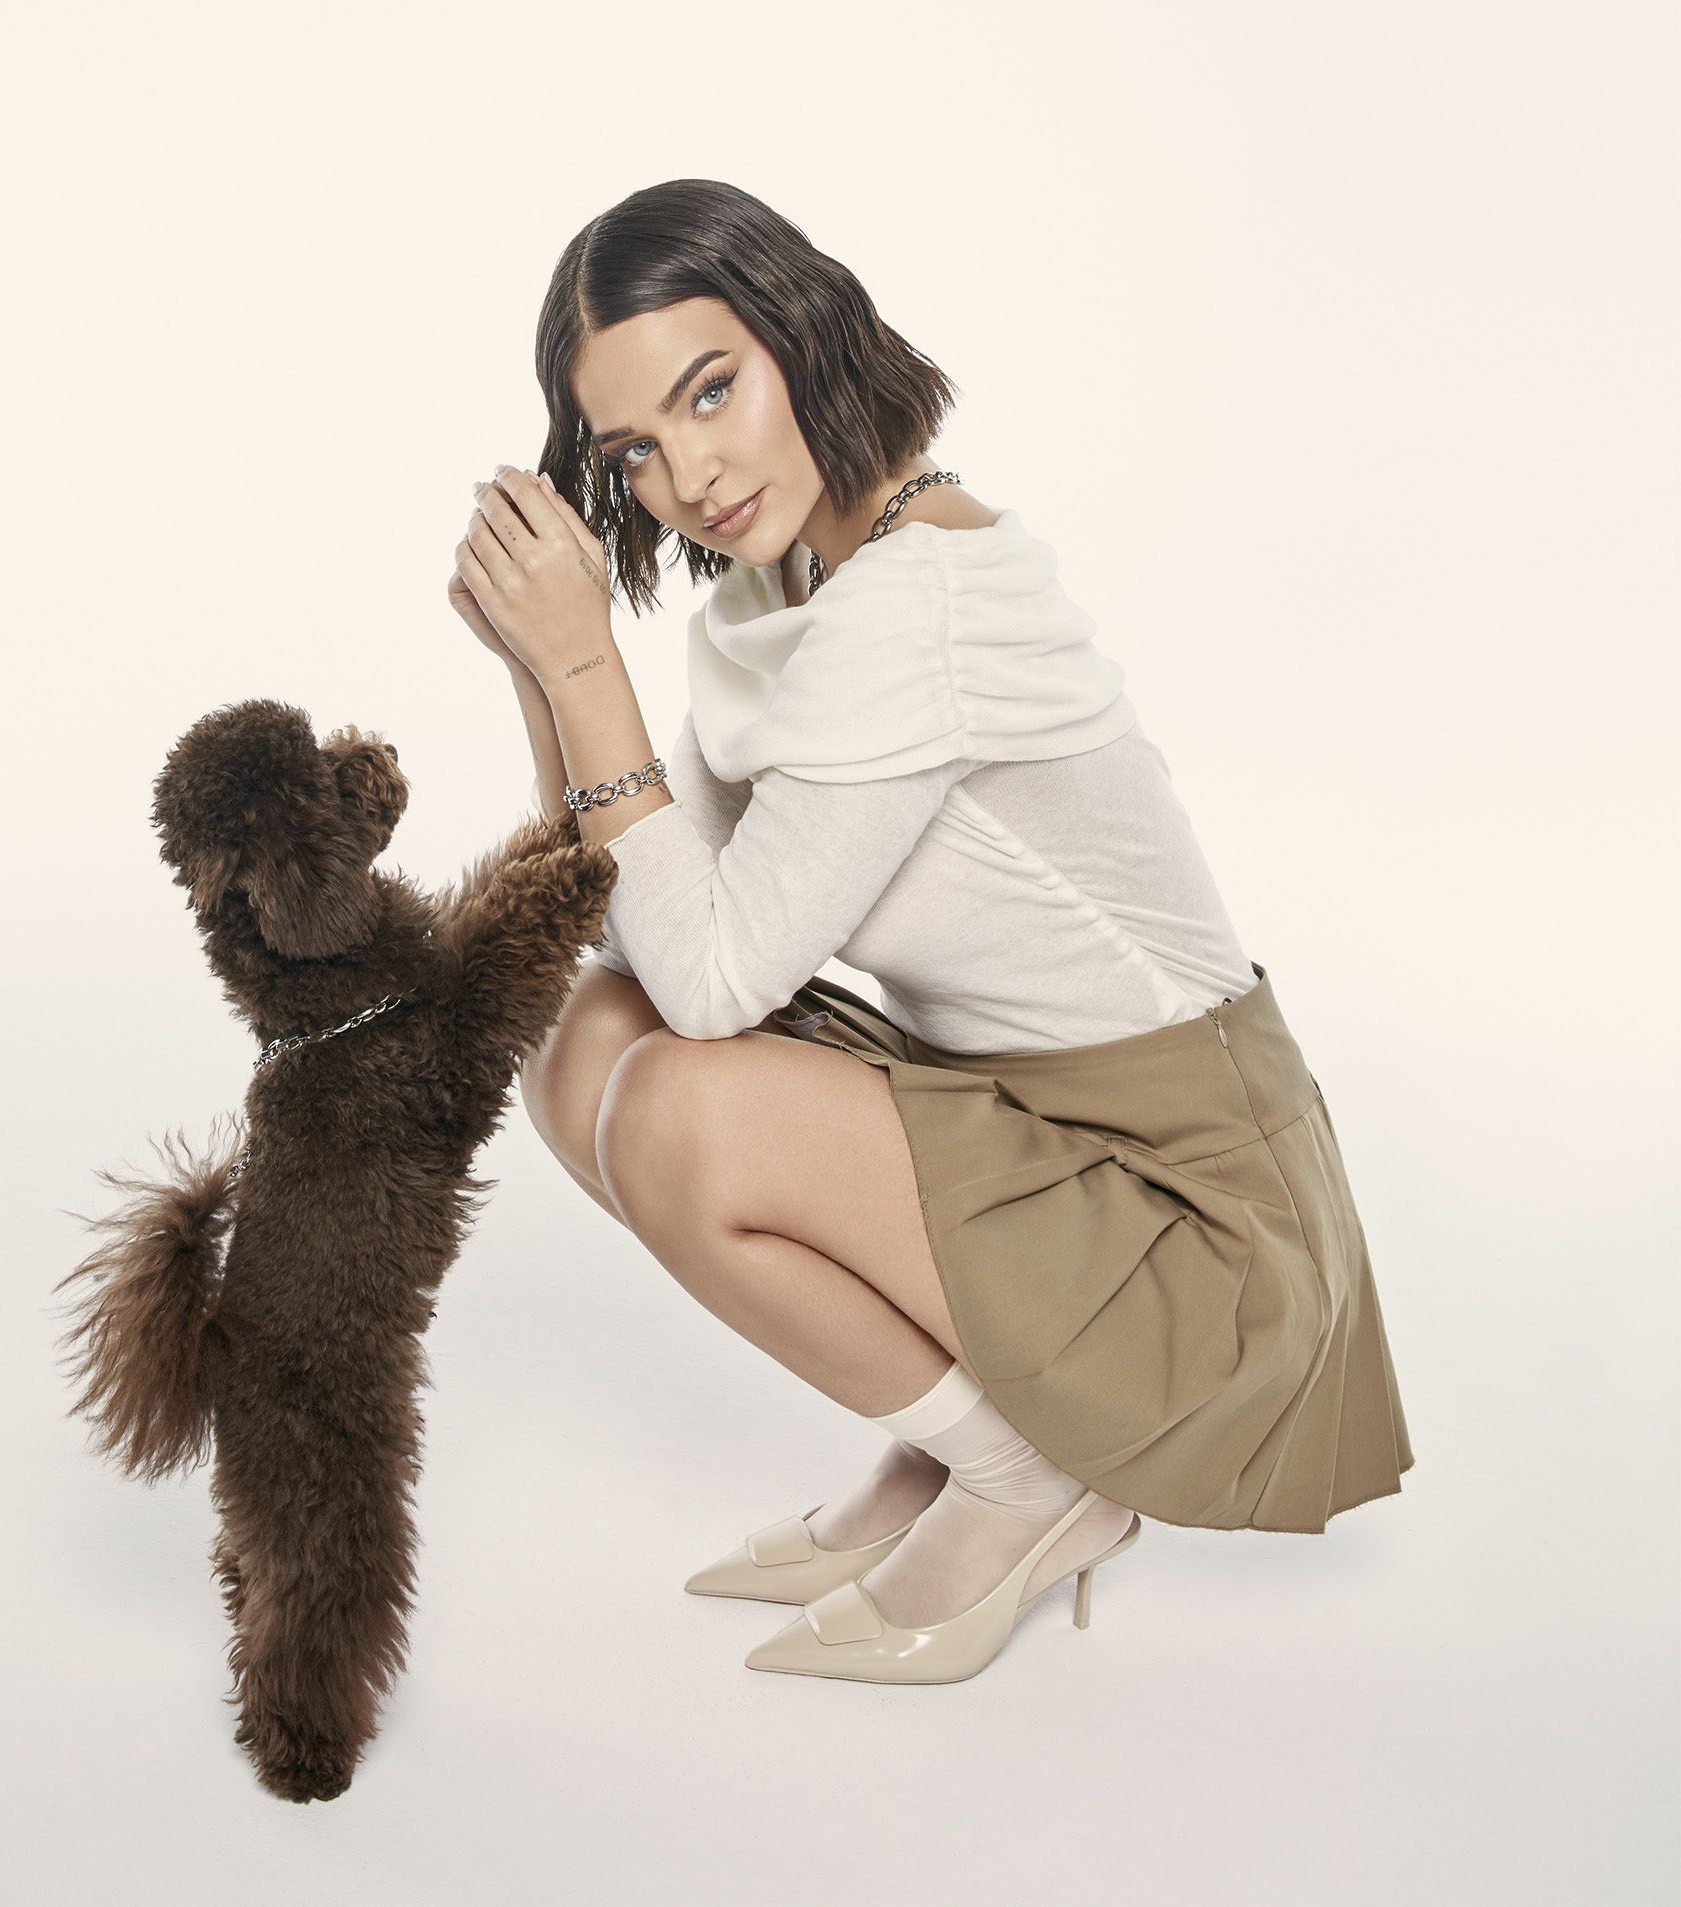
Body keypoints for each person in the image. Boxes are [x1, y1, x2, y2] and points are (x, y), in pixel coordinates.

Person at [447, 179, 1413, 1687]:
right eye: (632, 449)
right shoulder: (789, 582)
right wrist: (539, 667)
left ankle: (1029, 1480)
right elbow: (645, 927)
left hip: (1197, 1229)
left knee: (677, 1109)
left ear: (799, 332)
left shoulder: (918, 605)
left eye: (712, 391)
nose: (689, 474)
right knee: (583, 1042)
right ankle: (963, 1441)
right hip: (1027, 1133)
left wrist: (586, 671)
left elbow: (713, 985)